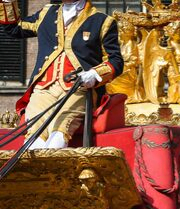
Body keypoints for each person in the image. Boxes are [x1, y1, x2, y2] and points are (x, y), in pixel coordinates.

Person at [0, 0, 123, 149]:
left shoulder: (103, 21)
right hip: (43, 88)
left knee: (58, 134)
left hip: (78, 89)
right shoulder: (47, 13)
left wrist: (95, 74)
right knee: (33, 139)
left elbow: (116, 61)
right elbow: (15, 28)